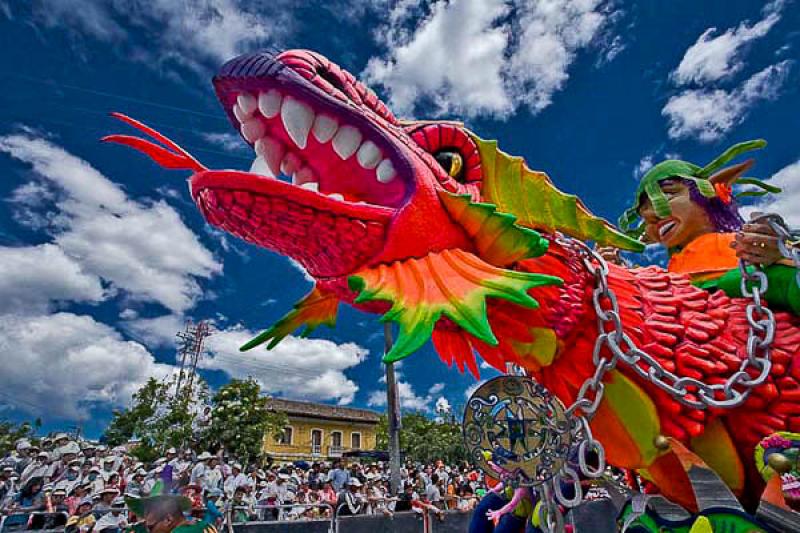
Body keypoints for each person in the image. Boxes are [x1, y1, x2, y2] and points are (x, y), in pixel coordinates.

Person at [617, 140, 800, 312]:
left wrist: (782, 256)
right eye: (644, 214)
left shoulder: (749, 242)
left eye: (668, 194)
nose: (651, 215)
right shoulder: (669, 272)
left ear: (709, 190)